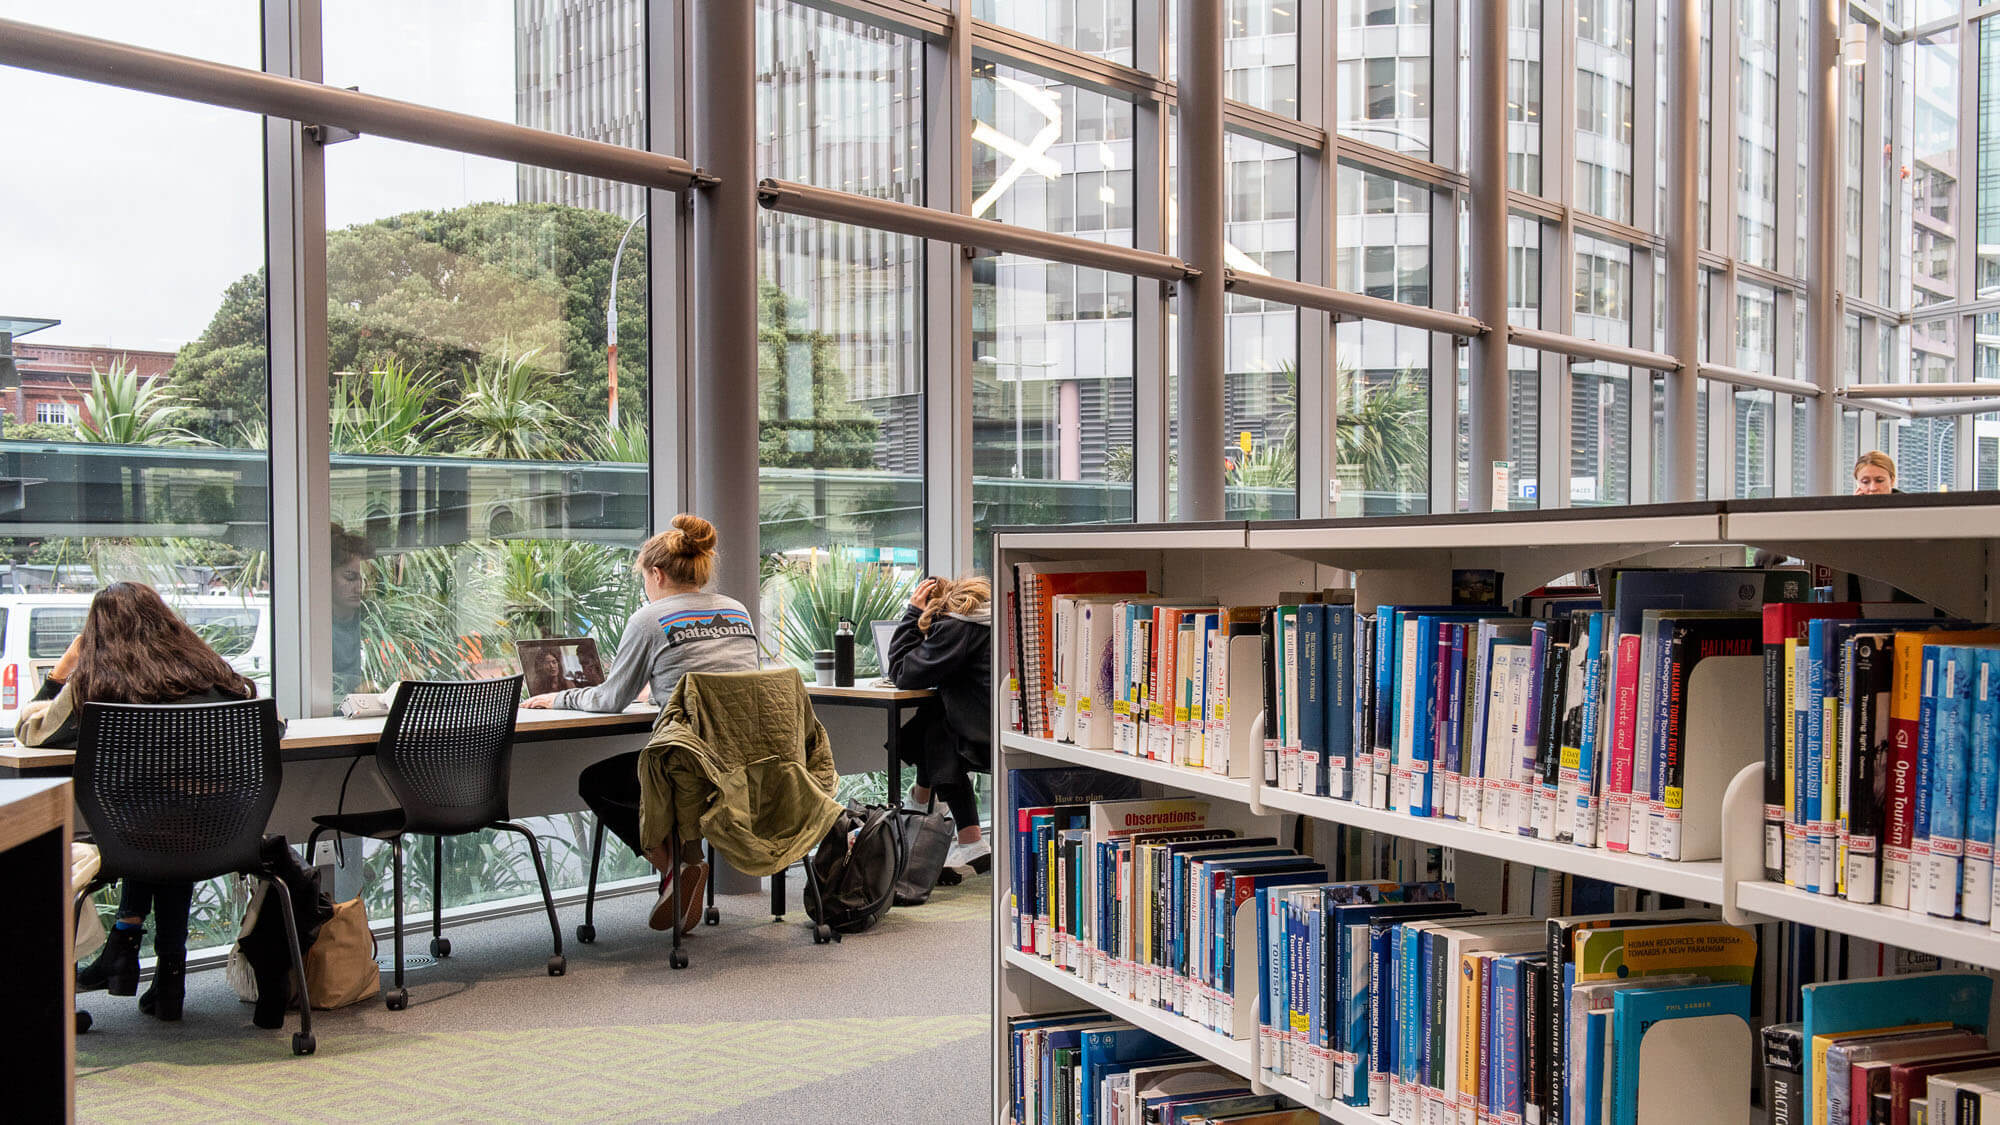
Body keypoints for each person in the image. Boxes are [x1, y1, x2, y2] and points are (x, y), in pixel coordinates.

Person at [21, 582, 258, 1021]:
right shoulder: (212, 674)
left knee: (151, 820)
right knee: (174, 818)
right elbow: (266, 725)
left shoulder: (96, 685)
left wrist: (59, 673)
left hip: (133, 836)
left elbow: (32, 734)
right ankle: (169, 976)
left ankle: (126, 945)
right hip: (223, 832)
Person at [525, 514, 757, 932]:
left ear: (656, 573)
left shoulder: (650, 618)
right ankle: (686, 861)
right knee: (658, 772)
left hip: (688, 766)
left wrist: (557, 697)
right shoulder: (737, 612)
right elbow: (724, 684)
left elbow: (612, 698)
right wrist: (664, 686)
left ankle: (673, 868)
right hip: (745, 765)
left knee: (597, 781)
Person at [886, 574, 993, 872]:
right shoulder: (989, 620)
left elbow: (901, 673)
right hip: (1006, 729)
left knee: (936, 729)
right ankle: (967, 838)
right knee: (935, 714)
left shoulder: (956, 627)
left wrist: (912, 615)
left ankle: (921, 807)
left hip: (980, 738)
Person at [330, 524, 374, 697]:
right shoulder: (314, 632)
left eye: (365, 578)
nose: (359, 587)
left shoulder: (372, 623)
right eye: (350, 577)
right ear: (325, 576)